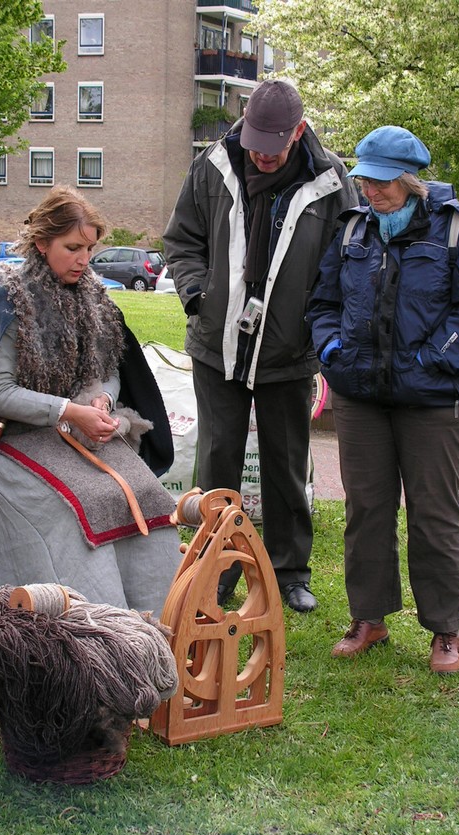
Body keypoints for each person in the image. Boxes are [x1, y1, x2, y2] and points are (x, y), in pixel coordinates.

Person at [0, 186, 179, 616]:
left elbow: (108, 367)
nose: (84, 259)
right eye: (72, 248)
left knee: (148, 496)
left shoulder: (96, 301)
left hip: (74, 438)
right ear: (41, 243)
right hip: (11, 441)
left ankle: (155, 623)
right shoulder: (5, 301)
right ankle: (90, 634)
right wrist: (70, 412)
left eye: (89, 248)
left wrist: (102, 400)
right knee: (74, 511)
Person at [307, 126, 459, 673]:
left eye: (381, 183)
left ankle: (445, 631)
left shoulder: (455, 228)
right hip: (361, 397)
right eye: (364, 181)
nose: (370, 192)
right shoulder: (353, 232)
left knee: (433, 514)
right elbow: (323, 302)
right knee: (365, 508)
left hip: (434, 401)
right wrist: (333, 348)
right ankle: (368, 619)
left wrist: (431, 361)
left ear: (409, 181)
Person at [162, 80, 359, 613]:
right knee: (218, 463)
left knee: (287, 465)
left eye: (272, 147)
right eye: (254, 143)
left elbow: (348, 258)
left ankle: (289, 571)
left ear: (298, 132)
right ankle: (218, 567)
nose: (261, 156)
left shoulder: (332, 180)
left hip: (289, 353)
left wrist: (318, 322)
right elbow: (181, 241)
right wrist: (197, 295)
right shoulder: (211, 166)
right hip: (216, 346)